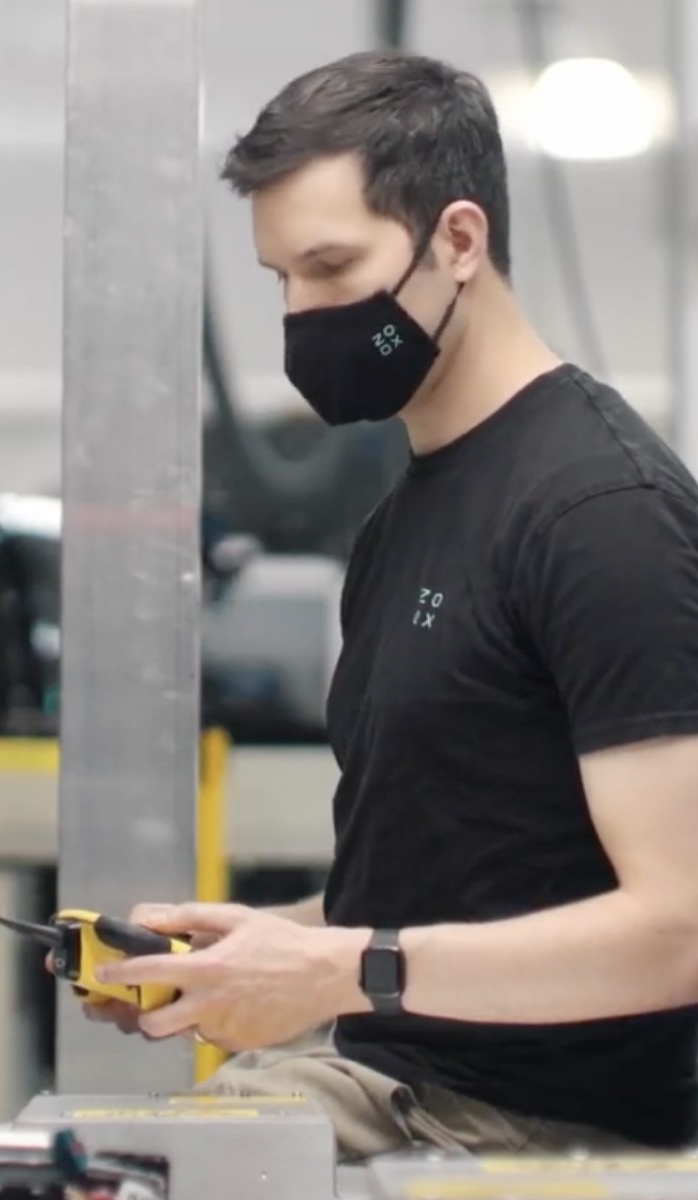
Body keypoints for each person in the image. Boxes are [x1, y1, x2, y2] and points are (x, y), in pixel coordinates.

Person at [83, 50, 698, 1160]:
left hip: (531, 1131)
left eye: (331, 267)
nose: (304, 314)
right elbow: (459, 897)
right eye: (281, 281)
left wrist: (336, 969)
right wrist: (254, 954)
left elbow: (680, 930)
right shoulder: (400, 523)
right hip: (395, 1079)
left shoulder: (601, 513)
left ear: (457, 241)